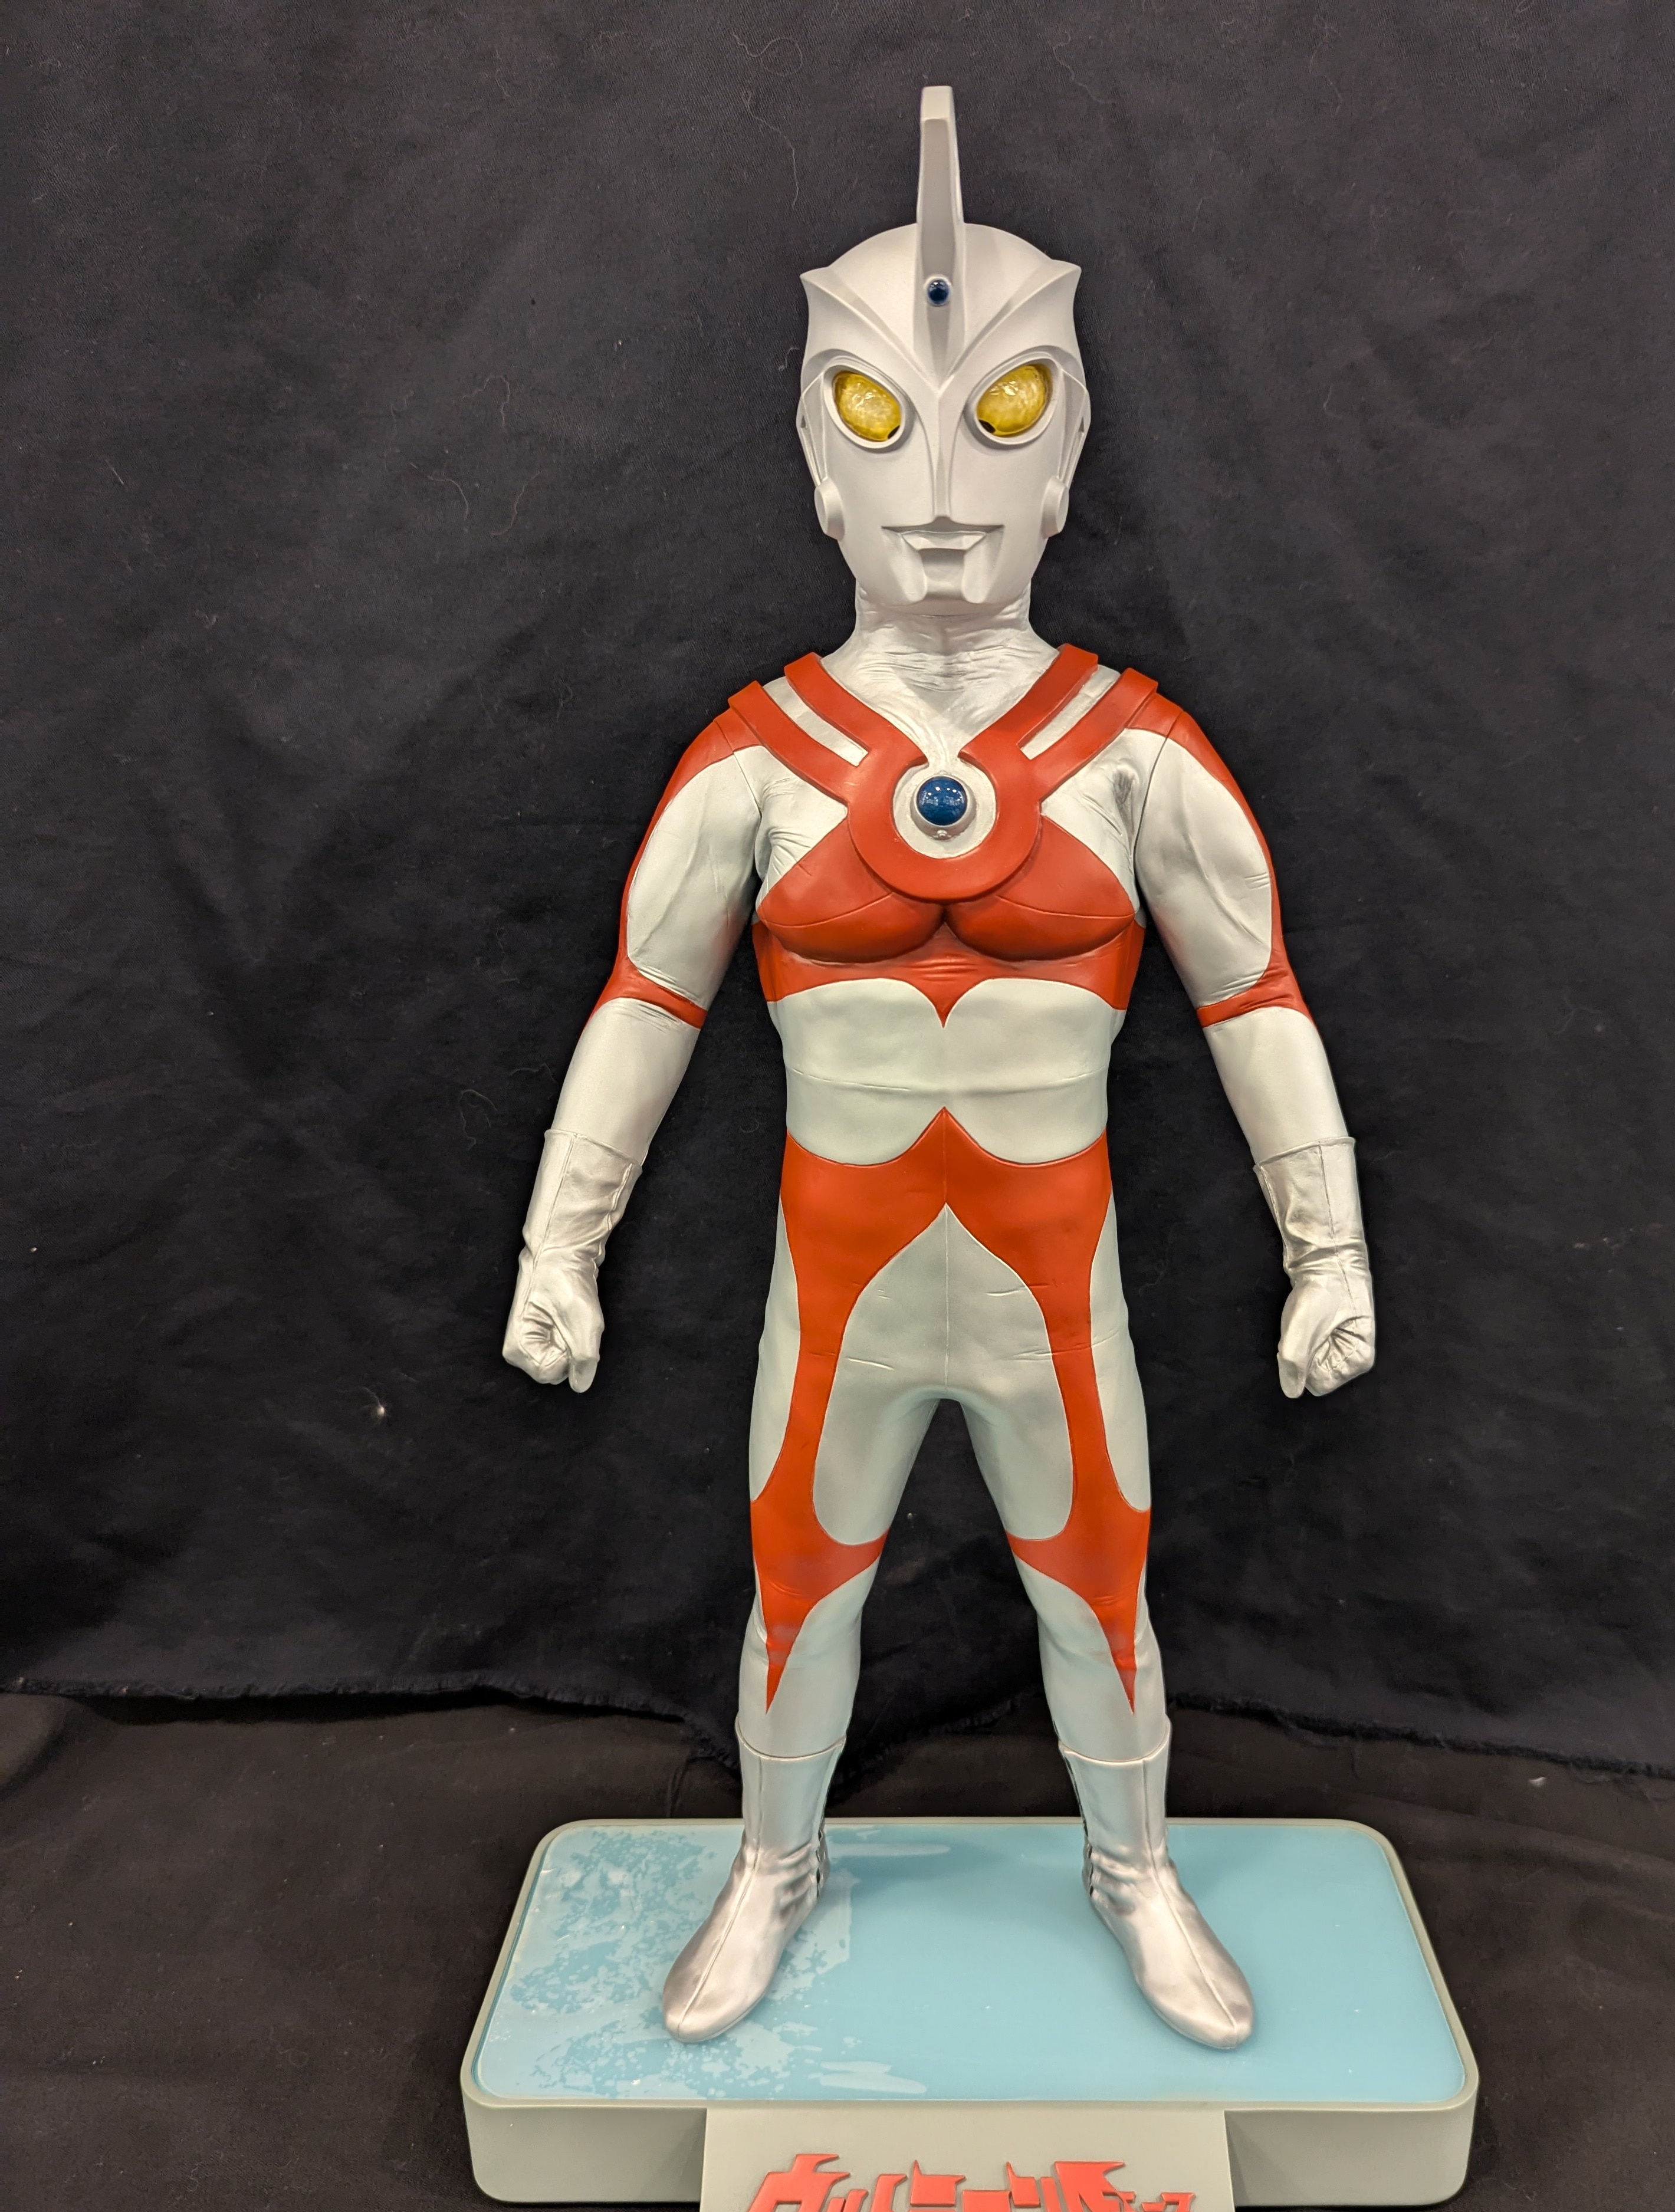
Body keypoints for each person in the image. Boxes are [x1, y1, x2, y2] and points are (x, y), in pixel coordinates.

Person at [503, 88, 1374, 2051]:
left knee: (1097, 1586)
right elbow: (644, 1002)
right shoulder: (761, 759)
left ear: (1067, 453)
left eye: (1002, 417)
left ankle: (1135, 1873)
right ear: (821, 461)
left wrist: (1330, 1248)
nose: (947, 492)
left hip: (1056, 1286)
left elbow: (1257, 1000)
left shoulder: (1133, 754)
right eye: (887, 423)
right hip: (847, 1286)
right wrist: (562, 1243)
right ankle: (773, 1862)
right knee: (799, 1587)